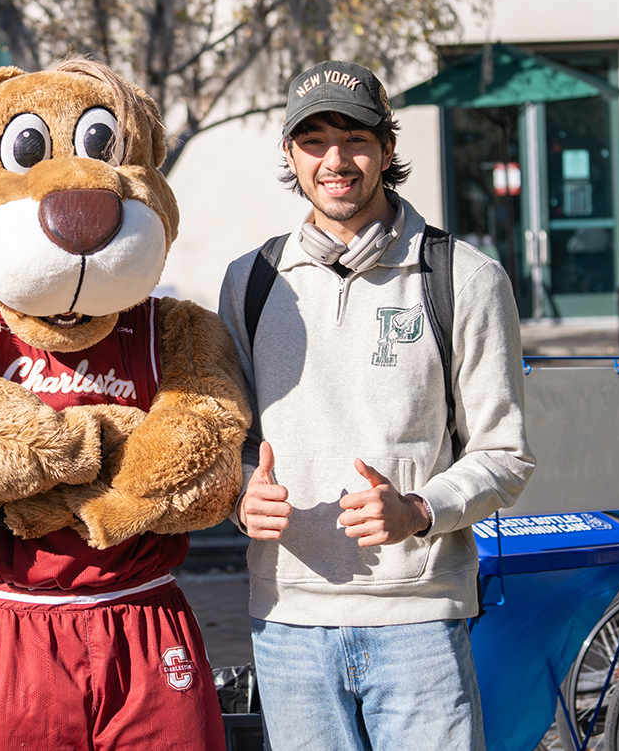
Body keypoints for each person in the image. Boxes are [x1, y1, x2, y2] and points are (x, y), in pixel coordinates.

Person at [217, 60, 535, 751]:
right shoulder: (249, 283)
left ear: (387, 148)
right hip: (288, 622)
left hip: (419, 622)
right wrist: (243, 494)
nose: (336, 160)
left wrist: (418, 509)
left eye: (355, 137)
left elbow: (504, 453)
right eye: (314, 140)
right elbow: (227, 442)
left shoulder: (466, 277)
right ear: (290, 155)